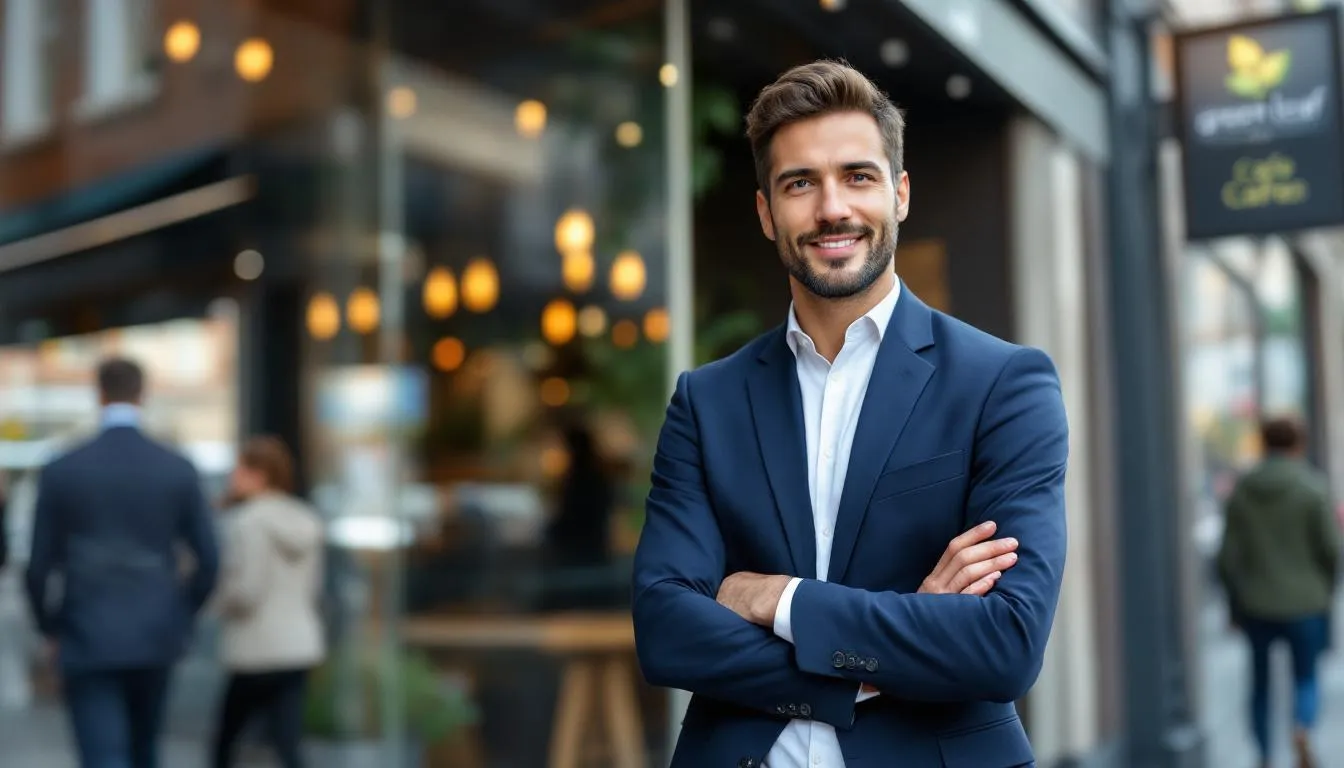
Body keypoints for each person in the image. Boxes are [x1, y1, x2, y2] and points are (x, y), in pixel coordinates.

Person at [631, 60, 1069, 767]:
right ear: (767, 213)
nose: (832, 207)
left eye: (858, 177)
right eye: (800, 183)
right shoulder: (707, 402)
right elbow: (666, 630)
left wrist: (781, 600)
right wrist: (886, 652)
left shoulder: (1003, 386)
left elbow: (1005, 644)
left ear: (899, 195)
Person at [25, 357, 220, 768]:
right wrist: (181, 612)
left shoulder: (63, 469)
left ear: (98, 395)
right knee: (145, 748)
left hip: (86, 630)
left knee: (103, 754)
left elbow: (39, 564)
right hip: (156, 630)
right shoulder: (176, 468)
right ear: (142, 394)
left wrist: (49, 626)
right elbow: (210, 559)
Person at [1218, 417, 1339, 768]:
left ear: (1264, 444)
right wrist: (1326, 589)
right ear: (1298, 445)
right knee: (1306, 675)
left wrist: (1234, 603)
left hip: (1256, 604)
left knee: (1259, 685)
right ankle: (1302, 727)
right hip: (1307, 602)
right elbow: (1332, 549)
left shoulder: (1242, 491)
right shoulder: (1313, 487)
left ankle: (1265, 753)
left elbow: (1227, 558)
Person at [210, 436, 325, 768]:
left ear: (258, 475)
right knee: (287, 742)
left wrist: (215, 603)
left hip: (256, 647)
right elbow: (313, 589)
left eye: (240, 470)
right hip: (298, 643)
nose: (233, 477)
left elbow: (247, 590)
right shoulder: (304, 518)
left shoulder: (249, 522)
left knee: (226, 741)